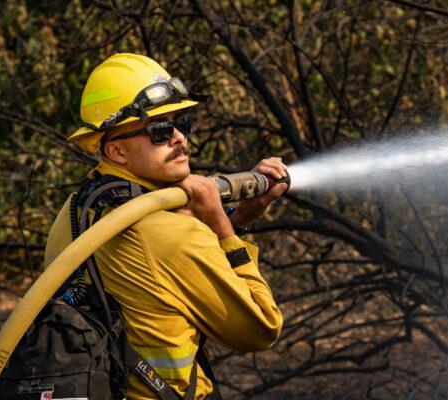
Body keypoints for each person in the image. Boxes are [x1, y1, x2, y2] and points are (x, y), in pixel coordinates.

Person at [43, 53, 286, 399]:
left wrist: (242, 217)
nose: (178, 138)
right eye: (159, 130)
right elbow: (261, 328)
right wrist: (222, 227)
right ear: (116, 152)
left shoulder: (74, 213)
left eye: (181, 123)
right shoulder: (172, 234)